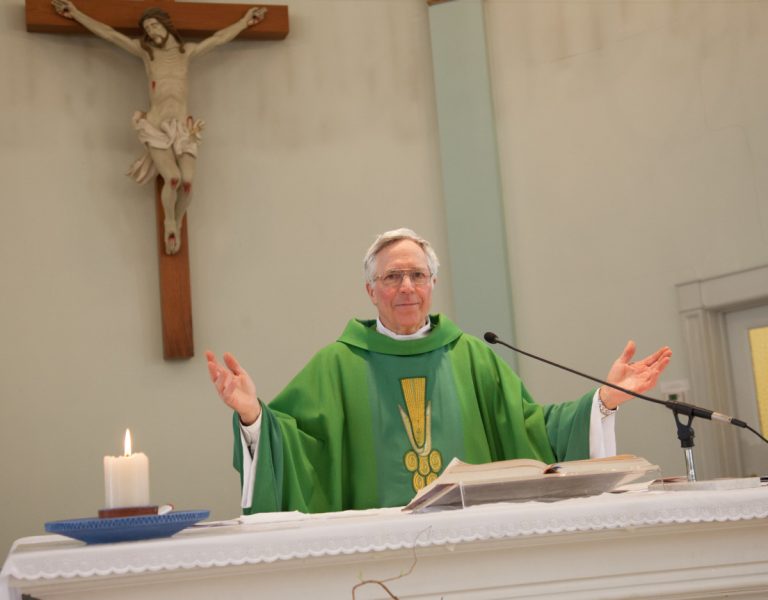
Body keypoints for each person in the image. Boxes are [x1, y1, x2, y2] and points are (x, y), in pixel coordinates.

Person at [206, 228, 672, 513]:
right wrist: (253, 416)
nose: (406, 287)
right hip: (378, 555)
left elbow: (532, 431)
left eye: (417, 275)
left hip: (473, 543)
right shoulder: (337, 364)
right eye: (392, 277)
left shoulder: (471, 356)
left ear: (433, 284)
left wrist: (605, 399)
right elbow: (293, 448)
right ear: (370, 290)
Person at [51, 0, 267, 254]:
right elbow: (109, 33)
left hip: (184, 127)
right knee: (173, 179)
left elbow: (219, 38)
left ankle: (179, 217)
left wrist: (245, 21)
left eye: (154, 25)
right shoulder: (146, 53)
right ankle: (170, 222)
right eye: (147, 28)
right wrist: (76, 14)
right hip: (155, 124)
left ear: (165, 25)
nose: (151, 32)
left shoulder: (187, 52)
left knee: (187, 182)